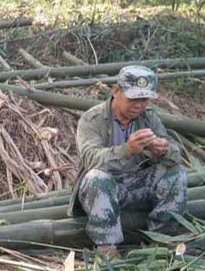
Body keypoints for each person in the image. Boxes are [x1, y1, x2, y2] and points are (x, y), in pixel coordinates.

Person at [68, 65, 187, 257]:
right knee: (96, 178)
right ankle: (107, 250)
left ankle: (162, 242)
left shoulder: (149, 118)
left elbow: (175, 154)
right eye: (133, 99)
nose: (139, 105)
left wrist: (163, 149)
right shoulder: (92, 119)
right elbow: (91, 159)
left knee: (177, 173)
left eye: (145, 99)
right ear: (116, 91)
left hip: (138, 185)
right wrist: (127, 150)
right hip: (106, 189)